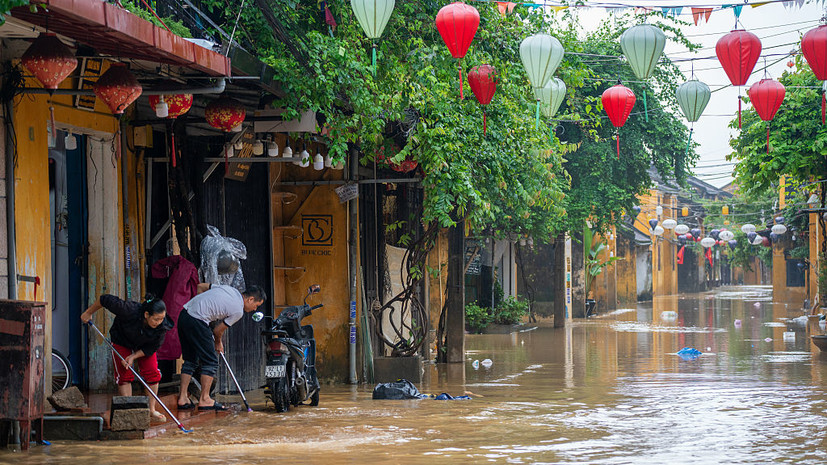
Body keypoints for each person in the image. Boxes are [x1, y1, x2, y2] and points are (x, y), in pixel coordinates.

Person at [80, 294, 173, 422]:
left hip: (145, 346)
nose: (159, 322)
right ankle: (128, 412)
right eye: (156, 319)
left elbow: (151, 348)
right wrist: (88, 312)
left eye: (162, 318)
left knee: (152, 373)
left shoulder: (162, 326)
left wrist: (133, 356)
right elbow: (104, 299)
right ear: (146, 315)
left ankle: (151, 410)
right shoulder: (128, 310)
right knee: (124, 375)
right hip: (122, 339)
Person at [176, 284, 266, 411]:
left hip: (185, 315)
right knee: (211, 361)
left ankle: (183, 397)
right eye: (256, 305)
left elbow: (201, 286)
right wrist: (218, 343)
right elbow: (218, 330)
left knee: (190, 360)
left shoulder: (230, 289)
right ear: (250, 299)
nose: (254, 309)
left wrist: (200, 306)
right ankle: (205, 399)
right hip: (198, 321)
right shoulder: (238, 311)